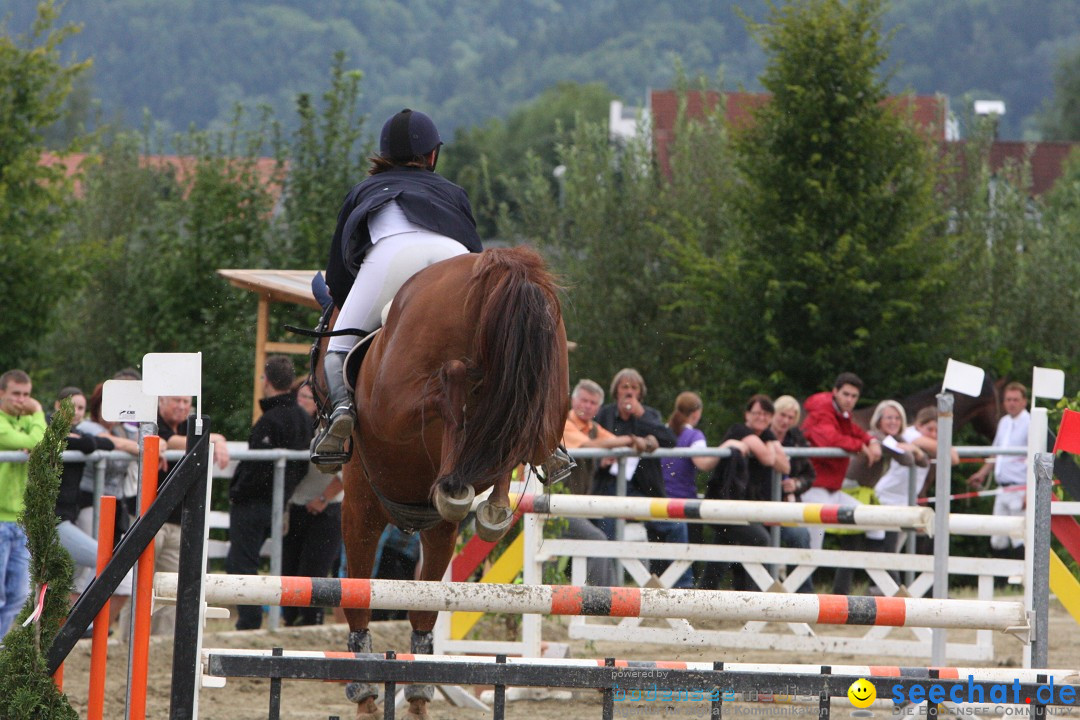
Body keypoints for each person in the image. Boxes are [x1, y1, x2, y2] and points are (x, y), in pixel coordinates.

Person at [315, 108, 483, 471]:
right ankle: (537, 432)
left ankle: (341, 413)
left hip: (391, 256)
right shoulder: (454, 192)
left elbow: (340, 270)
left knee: (337, 350)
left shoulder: (363, 189)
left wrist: (345, 306)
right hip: (454, 261)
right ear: (432, 155)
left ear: (384, 155)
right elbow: (476, 254)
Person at [226, 356, 312, 630]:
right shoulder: (301, 417)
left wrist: (238, 492)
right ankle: (273, 618)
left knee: (242, 562)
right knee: (276, 561)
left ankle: (249, 620)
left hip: (255, 503)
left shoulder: (271, 419)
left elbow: (258, 468)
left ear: (267, 380)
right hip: (280, 500)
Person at [592, 369, 689, 587]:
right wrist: (601, 460)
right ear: (616, 391)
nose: (628, 392)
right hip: (609, 488)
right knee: (606, 534)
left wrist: (641, 414)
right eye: (624, 387)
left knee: (675, 527)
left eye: (633, 388)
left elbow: (669, 440)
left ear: (640, 393)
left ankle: (682, 585)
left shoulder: (649, 414)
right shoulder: (604, 414)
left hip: (645, 489)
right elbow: (588, 444)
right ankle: (606, 589)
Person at [50, 387, 132, 622]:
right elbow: (87, 445)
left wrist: (89, 442)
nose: (76, 413)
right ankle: (79, 626)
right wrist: (88, 442)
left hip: (67, 517)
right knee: (104, 558)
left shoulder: (77, 432)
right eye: (70, 406)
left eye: (80, 408)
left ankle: (74, 629)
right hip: (52, 518)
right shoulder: (49, 428)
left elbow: (98, 444)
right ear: (57, 406)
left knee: (72, 576)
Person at [152, 394, 229, 635]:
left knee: (171, 593)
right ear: (161, 401)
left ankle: (161, 645)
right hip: (149, 520)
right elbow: (166, 440)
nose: (183, 406)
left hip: (178, 521)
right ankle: (128, 643)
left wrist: (218, 439)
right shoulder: (151, 422)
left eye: (187, 402)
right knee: (140, 587)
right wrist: (216, 438)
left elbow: (178, 440)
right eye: (177, 400)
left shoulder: (189, 426)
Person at [835, 400, 928, 594]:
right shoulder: (877, 437)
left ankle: (845, 593)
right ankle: (895, 592)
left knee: (858, 548)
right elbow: (907, 459)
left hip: (862, 493)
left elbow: (921, 461)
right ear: (878, 420)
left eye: (897, 418)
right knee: (871, 544)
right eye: (889, 417)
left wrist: (914, 449)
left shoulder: (893, 439)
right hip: (850, 491)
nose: (893, 421)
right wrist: (912, 449)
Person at [699, 394, 790, 591]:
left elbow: (785, 466)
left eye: (766, 414)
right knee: (759, 539)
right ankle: (757, 595)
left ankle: (706, 592)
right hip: (725, 503)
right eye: (757, 413)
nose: (761, 418)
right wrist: (771, 445)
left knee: (723, 550)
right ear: (747, 414)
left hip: (741, 505)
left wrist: (768, 444)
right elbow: (768, 459)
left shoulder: (765, 437)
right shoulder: (739, 430)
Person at [559, 379, 637, 587]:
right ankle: (604, 596)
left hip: (578, 505)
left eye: (592, 403)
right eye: (584, 400)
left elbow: (608, 441)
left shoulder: (593, 427)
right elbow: (591, 445)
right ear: (573, 401)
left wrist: (628, 443)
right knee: (597, 539)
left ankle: (599, 591)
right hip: (555, 504)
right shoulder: (563, 423)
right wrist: (631, 440)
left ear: (599, 408)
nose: (587, 406)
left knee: (599, 537)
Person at [281, 377, 343, 626]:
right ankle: (288, 621)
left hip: (325, 510)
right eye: (298, 397)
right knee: (290, 568)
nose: (301, 402)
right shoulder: (295, 428)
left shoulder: (330, 429)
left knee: (314, 571)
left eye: (306, 398)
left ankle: (311, 623)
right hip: (296, 506)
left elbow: (346, 474)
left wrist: (322, 499)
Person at [800, 372, 882, 552]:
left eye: (854, 396)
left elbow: (854, 431)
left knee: (876, 522)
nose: (850, 400)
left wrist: (871, 441)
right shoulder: (822, 411)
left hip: (832, 489)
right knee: (812, 551)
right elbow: (830, 439)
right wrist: (862, 445)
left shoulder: (842, 414)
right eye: (846, 394)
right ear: (835, 391)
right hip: (814, 488)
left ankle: (879, 579)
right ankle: (789, 579)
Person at [0, 369, 46, 638]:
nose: (22, 400)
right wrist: (38, 410)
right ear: (2, 393)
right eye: (16, 393)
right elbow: (38, 440)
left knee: (17, 596)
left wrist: (33, 424)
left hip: (19, 520)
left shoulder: (25, 422)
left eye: (27, 395)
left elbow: (40, 442)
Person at [967, 381, 1030, 558]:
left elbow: (1035, 458)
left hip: (1020, 488)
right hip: (1002, 488)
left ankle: (1022, 582)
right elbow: (996, 453)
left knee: (1019, 537)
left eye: (1015, 400)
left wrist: (1029, 491)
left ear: (1024, 401)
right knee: (998, 537)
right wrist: (981, 474)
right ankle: (1001, 585)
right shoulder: (1003, 422)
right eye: (1008, 399)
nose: (1011, 403)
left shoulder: (1030, 423)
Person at [660, 392, 718, 582]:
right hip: (685, 506)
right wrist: (725, 451)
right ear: (696, 414)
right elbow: (702, 463)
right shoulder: (695, 435)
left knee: (661, 564)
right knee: (689, 559)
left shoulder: (663, 430)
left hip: (660, 503)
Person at [770, 395, 816, 592]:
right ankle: (758, 589)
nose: (785, 421)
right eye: (782, 415)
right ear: (774, 414)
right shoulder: (760, 435)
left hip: (788, 506)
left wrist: (796, 483)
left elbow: (810, 475)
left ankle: (803, 592)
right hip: (762, 505)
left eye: (791, 417)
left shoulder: (797, 440)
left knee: (800, 536)